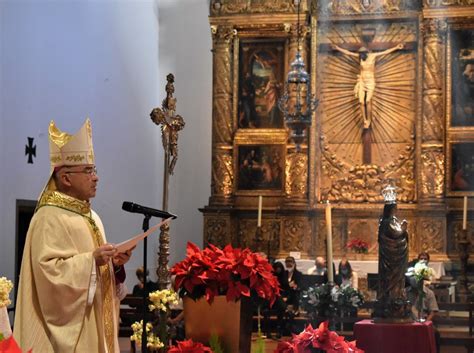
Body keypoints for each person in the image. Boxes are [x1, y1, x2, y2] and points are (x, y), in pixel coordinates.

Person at [14, 119, 133, 353]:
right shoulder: (48, 217)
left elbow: (98, 275)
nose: (96, 177)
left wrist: (113, 264)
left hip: (95, 324)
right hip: (70, 334)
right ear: (66, 178)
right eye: (88, 171)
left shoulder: (92, 216)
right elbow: (48, 273)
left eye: (94, 170)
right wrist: (91, 260)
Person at [331, 43, 404, 130]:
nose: (361, 55)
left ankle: (369, 119)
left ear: (366, 53)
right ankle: (364, 120)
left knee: (368, 101)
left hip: (370, 81)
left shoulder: (373, 56)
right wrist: (338, 48)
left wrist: (396, 47)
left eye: (363, 54)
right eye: (360, 54)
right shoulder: (360, 57)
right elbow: (348, 53)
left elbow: (385, 52)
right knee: (361, 102)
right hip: (362, 81)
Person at [374, 186, 411, 320]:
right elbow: (394, 234)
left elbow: (399, 234)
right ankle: (390, 299)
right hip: (390, 259)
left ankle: (397, 297)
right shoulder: (386, 222)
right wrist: (403, 230)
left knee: (398, 282)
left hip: (397, 259)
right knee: (391, 281)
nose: (396, 210)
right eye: (395, 208)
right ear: (390, 209)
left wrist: (403, 231)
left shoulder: (393, 221)